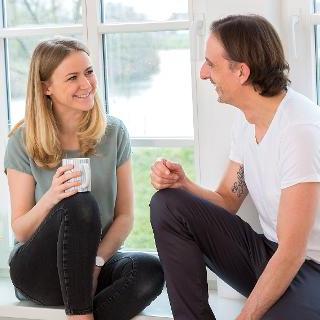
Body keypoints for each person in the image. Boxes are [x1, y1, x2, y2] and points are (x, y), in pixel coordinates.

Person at [150, 14, 320, 320]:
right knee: (168, 203)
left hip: (310, 269)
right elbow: (228, 199)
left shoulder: (299, 129)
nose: (203, 74)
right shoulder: (247, 119)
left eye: (211, 64)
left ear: (241, 71)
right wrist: (183, 183)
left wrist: (246, 316)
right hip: (269, 254)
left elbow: (294, 251)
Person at [4, 37, 164, 320]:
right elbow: (22, 231)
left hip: (95, 265)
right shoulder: (23, 140)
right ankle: (80, 315)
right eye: (72, 77)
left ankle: (81, 310)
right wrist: (53, 197)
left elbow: (125, 216)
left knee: (149, 272)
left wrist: (97, 262)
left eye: (89, 72)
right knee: (78, 201)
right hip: (40, 271)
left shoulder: (114, 132)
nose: (87, 84)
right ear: (46, 87)